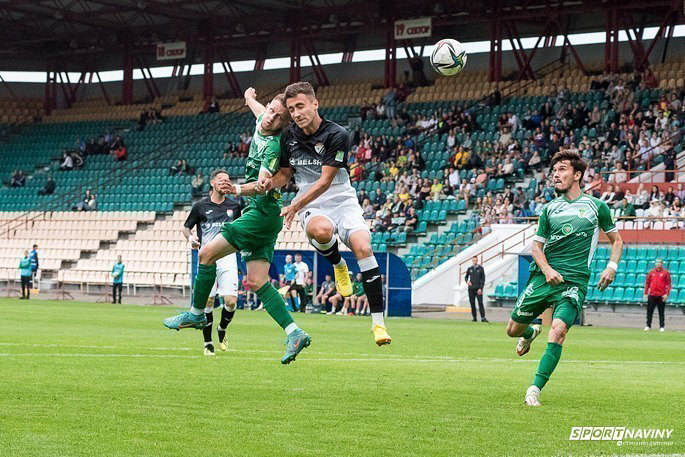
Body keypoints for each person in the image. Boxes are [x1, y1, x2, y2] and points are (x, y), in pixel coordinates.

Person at [163, 87, 310, 365]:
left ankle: (195, 314)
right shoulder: (262, 119)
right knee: (256, 281)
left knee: (206, 255)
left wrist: (238, 190)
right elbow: (257, 109)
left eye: (279, 117)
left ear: (285, 124)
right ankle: (295, 332)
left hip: (259, 213)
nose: (271, 119)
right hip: (268, 219)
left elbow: (263, 185)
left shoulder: (272, 147)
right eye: (271, 111)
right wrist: (249, 97)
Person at [262, 81, 391, 346]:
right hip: (312, 204)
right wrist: (269, 182)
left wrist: (294, 205)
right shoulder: (289, 135)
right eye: (291, 109)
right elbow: (286, 173)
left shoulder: (337, 134)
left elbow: (324, 181)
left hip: (341, 198)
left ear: (314, 103)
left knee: (364, 249)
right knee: (321, 231)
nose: (296, 113)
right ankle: (338, 264)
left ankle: (378, 324)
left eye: (300, 106)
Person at [506, 150, 623, 406]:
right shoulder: (549, 209)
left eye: (561, 170)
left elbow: (617, 240)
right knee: (512, 330)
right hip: (543, 278)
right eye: (554, 171)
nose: (555, 176)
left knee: (558, 331)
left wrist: (611, 266)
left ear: (577, 175)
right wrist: (547, 270)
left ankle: (534, 388)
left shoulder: (596, 206)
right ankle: (530, 332)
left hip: (574, 282)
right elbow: (536, 247)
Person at [182, 169, 242, 356]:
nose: (225, 182)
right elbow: (186, 228)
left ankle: (222, 328)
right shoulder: (200, 206)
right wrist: (190, 238)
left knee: (231, 302)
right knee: (208, 301)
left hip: (228, 258)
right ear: (212, 183)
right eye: (221, 180)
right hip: (207, 260)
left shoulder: (235, 206)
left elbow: (241, 230)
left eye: (228, 180)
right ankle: (207, 342)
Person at [643, 258, 671, 332]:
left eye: (660, 262)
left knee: (661, 312)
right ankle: (648, 325)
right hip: (652, 294)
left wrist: (666, 294)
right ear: (655, 263)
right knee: (649, 311)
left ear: (662, 264)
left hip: (661, 295)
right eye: (657, 262)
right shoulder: (651, 272)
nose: (658, 264)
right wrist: (645, 293)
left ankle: (662, 326)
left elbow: (669, 284)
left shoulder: (665, 273)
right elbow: (647, 283)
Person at [464, 256, 488, 322]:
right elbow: (466, 277)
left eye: (476, 260)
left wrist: (481, 288)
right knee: (472, 303)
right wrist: (467, 282)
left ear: (477, 261)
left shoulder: (481, 269)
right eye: (473, 260)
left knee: (480, 303)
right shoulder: (470, 269)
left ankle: (483, 317)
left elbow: (483, 279)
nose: (475, 261)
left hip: (478, 289)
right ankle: (474, 317)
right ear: (472, 261)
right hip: (471, 289)